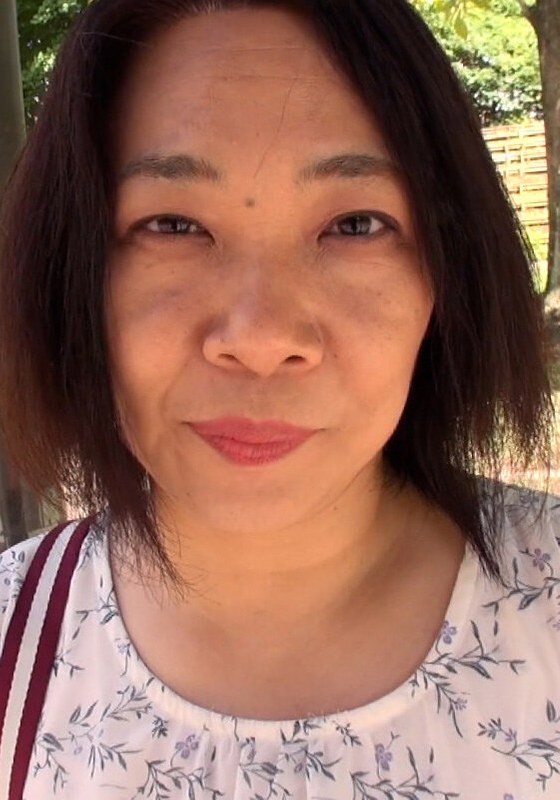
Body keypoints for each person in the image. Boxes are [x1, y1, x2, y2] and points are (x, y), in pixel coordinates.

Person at [0, 0, 558, 796]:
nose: (261, 338)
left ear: (447, 272)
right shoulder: (13, 641)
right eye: (173, 225)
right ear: (72, 273)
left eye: (355, 225)